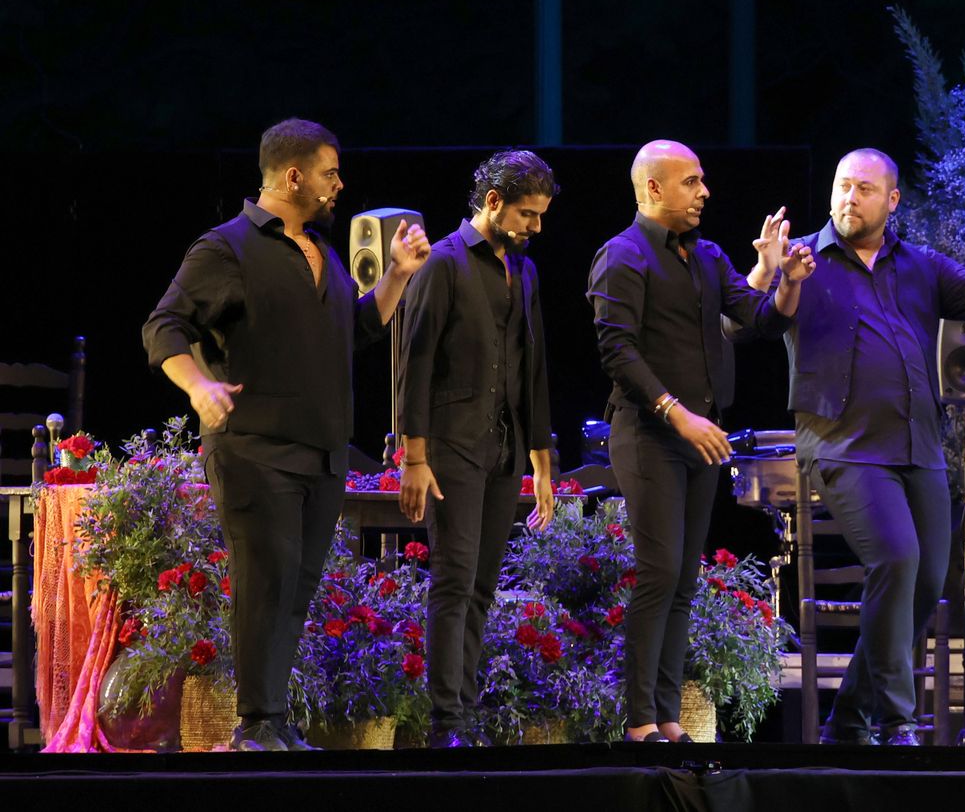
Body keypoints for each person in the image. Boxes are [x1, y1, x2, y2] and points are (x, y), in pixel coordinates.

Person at [748, 148, 965, 746]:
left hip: (918, 447)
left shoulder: (919, 266)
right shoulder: (801, 259)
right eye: (842, 185)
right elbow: (749, 320)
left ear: (892, 200)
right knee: (895, 558)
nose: (849, 198)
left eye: (864, 189)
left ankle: (846, 722)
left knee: (927, 581)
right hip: (843, 446)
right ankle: (896, 720)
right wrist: (772, 274)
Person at [142, 118, 430, 751]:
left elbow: (355, 331)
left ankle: (271, 718)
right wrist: (198, 385)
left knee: (295, 590)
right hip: (255, 448)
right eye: (330, 173)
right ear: (294, 176)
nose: (339, 185)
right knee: (265, 583)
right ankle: (254, 723)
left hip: (321, 453)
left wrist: (398, 275)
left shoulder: (322, 250)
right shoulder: (227, 247)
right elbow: (163, 325)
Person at [587, 139, 814, 743]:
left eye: (702, 180)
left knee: (684, 579)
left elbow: (760, 318)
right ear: (653, 188)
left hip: (700, 439)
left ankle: (666, 716)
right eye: (690, 181)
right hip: (649, 434)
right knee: (659, 572)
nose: (704, 192)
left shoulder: (707, 256)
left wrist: (789, 282)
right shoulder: (623, 255)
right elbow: (617, 352)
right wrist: (678, 414)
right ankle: (639, 720)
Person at [396, 150, 560, 748]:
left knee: (483, 586)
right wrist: (415, 458)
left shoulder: (524, 270)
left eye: (540, 215)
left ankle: (464, 709)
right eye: (526, 214)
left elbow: (533, 369)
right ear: (493, 203)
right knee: (454, 580)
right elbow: (413, 366)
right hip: (451, 447)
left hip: (504, 449)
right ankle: (447, 722)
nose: (535, 226)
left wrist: (541, 463)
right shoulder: (444, 262)